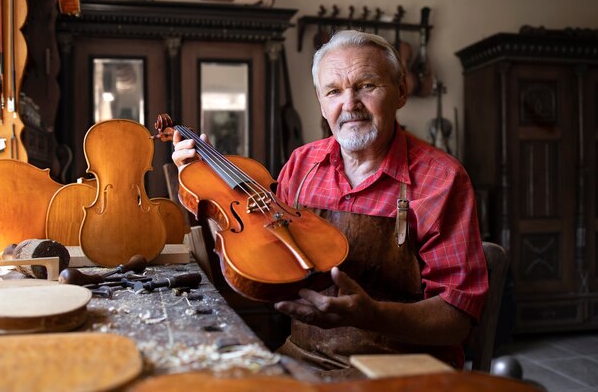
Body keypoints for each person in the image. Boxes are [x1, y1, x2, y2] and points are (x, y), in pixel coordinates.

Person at [172, 30, 488, 380]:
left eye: (366, 85)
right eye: (334, 91)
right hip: (305, 356)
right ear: (321, 102)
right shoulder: (302, 165)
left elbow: (457, 318)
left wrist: (372, 316)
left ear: (400, 92)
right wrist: (201, 181)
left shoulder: (442, 179)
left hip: (406, 368)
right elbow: (261, 259)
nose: (349, 103)